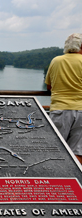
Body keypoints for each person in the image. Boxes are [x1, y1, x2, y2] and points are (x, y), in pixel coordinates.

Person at [45, 33, 82, 164]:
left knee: (54, 150)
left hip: (60, 110)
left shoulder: (56, 60)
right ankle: (74, 181)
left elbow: (49, 86)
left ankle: (54, 180)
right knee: (78, 152)